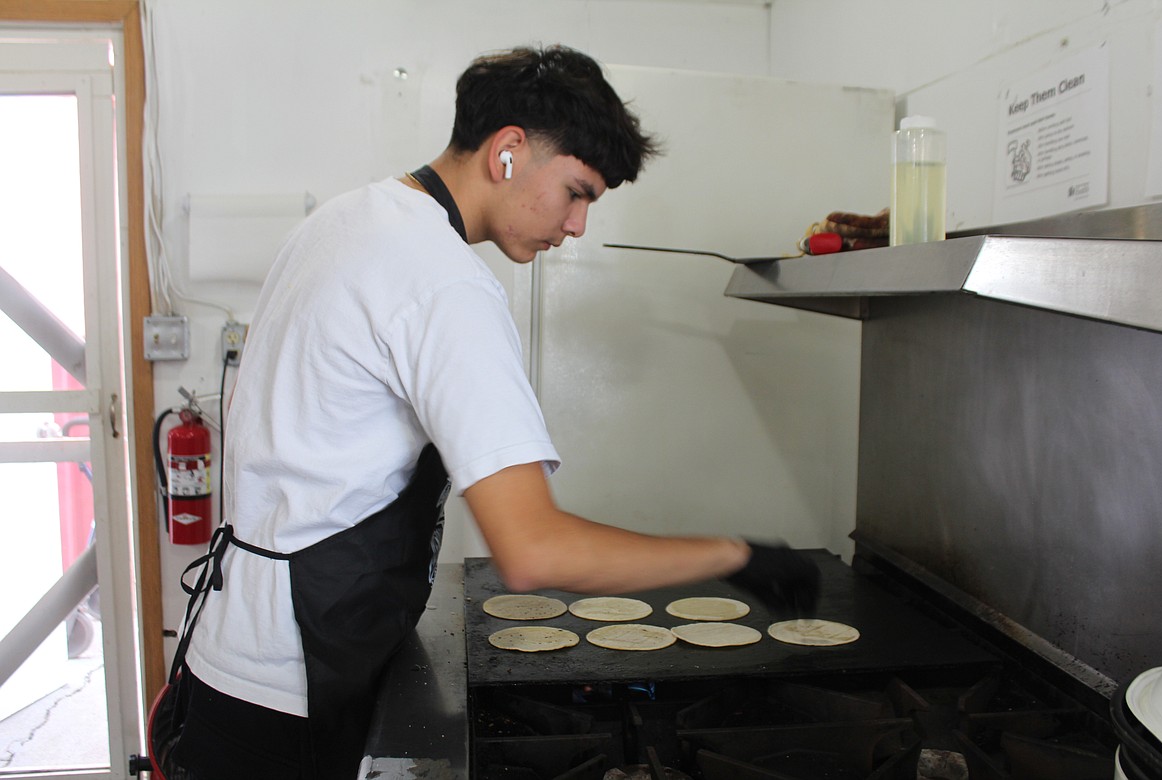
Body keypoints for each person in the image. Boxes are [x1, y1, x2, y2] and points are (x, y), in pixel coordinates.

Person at [165, 44, 820, 780]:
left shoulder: (347, 221)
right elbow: (534, 549)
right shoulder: (443, 281)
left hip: (230, 661)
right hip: (293, 689)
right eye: (576, 191)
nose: (576, 226)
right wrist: (737, 556)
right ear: (508, 151)